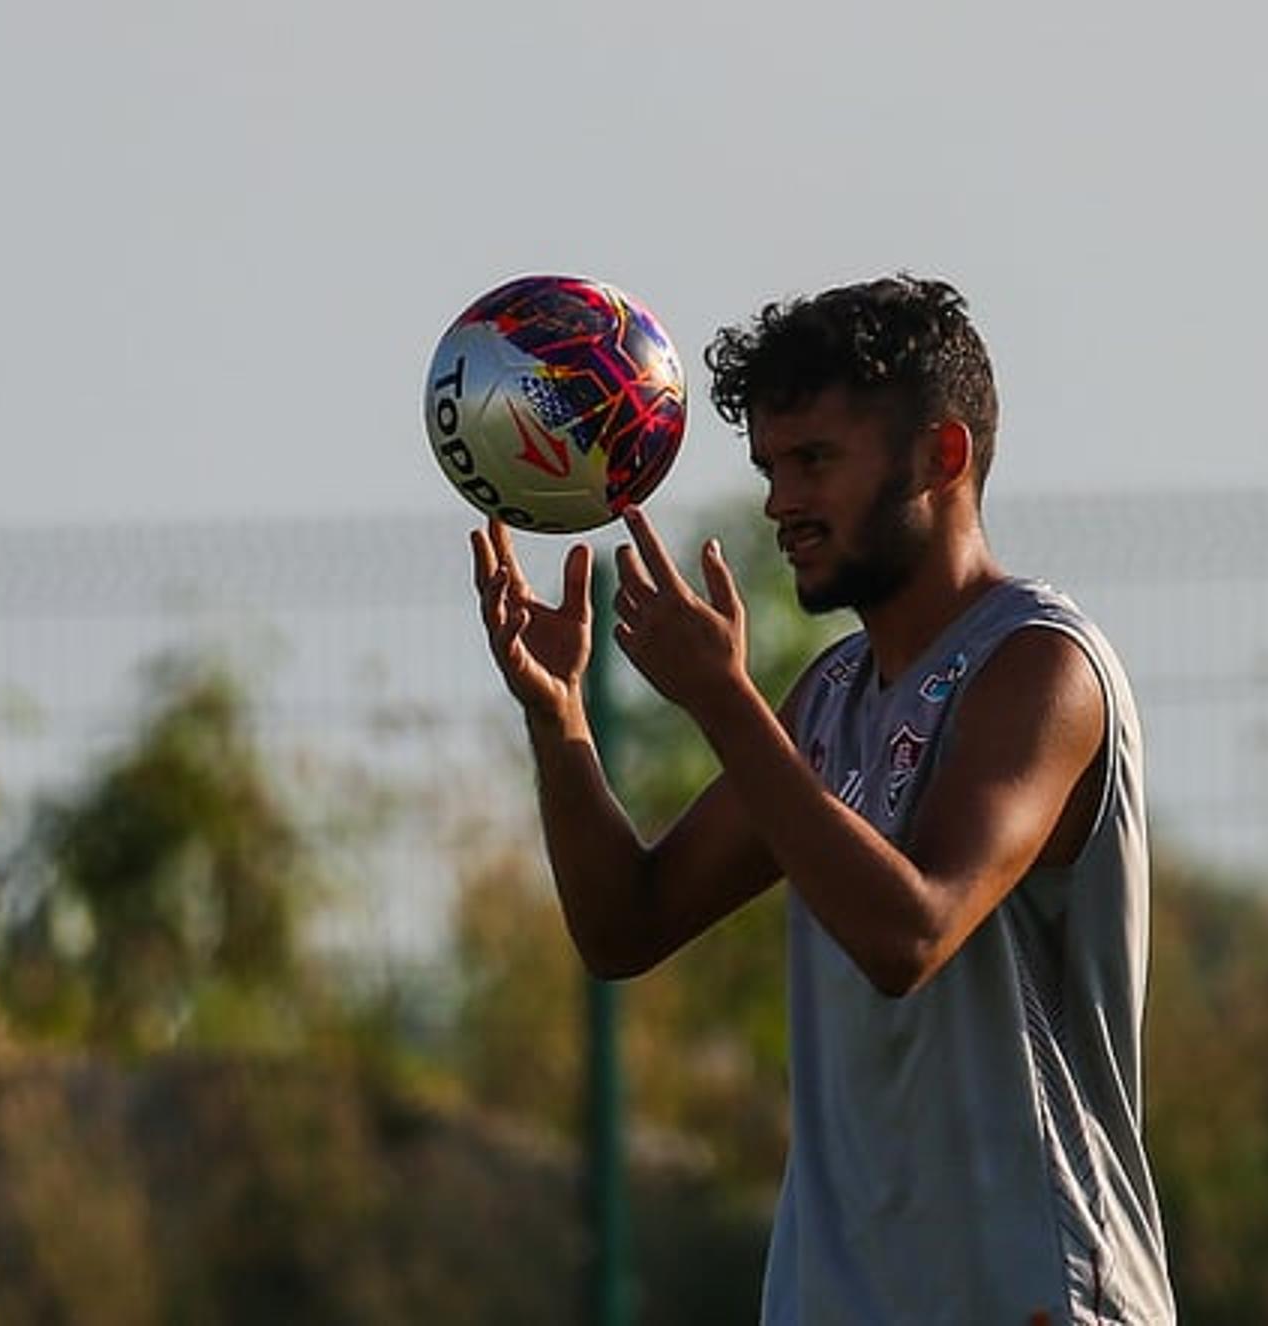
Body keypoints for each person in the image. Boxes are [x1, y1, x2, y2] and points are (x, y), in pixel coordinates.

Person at [470, 273, 1175, 1324]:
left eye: (814, 462)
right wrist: (560, 719)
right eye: (767, 466)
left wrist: (722, 701)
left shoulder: (1041, 670)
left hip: (1030, 1296)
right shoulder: (832, 699)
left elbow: (911, 932)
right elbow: (626, 924)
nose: (779, 502)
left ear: (943, 457)